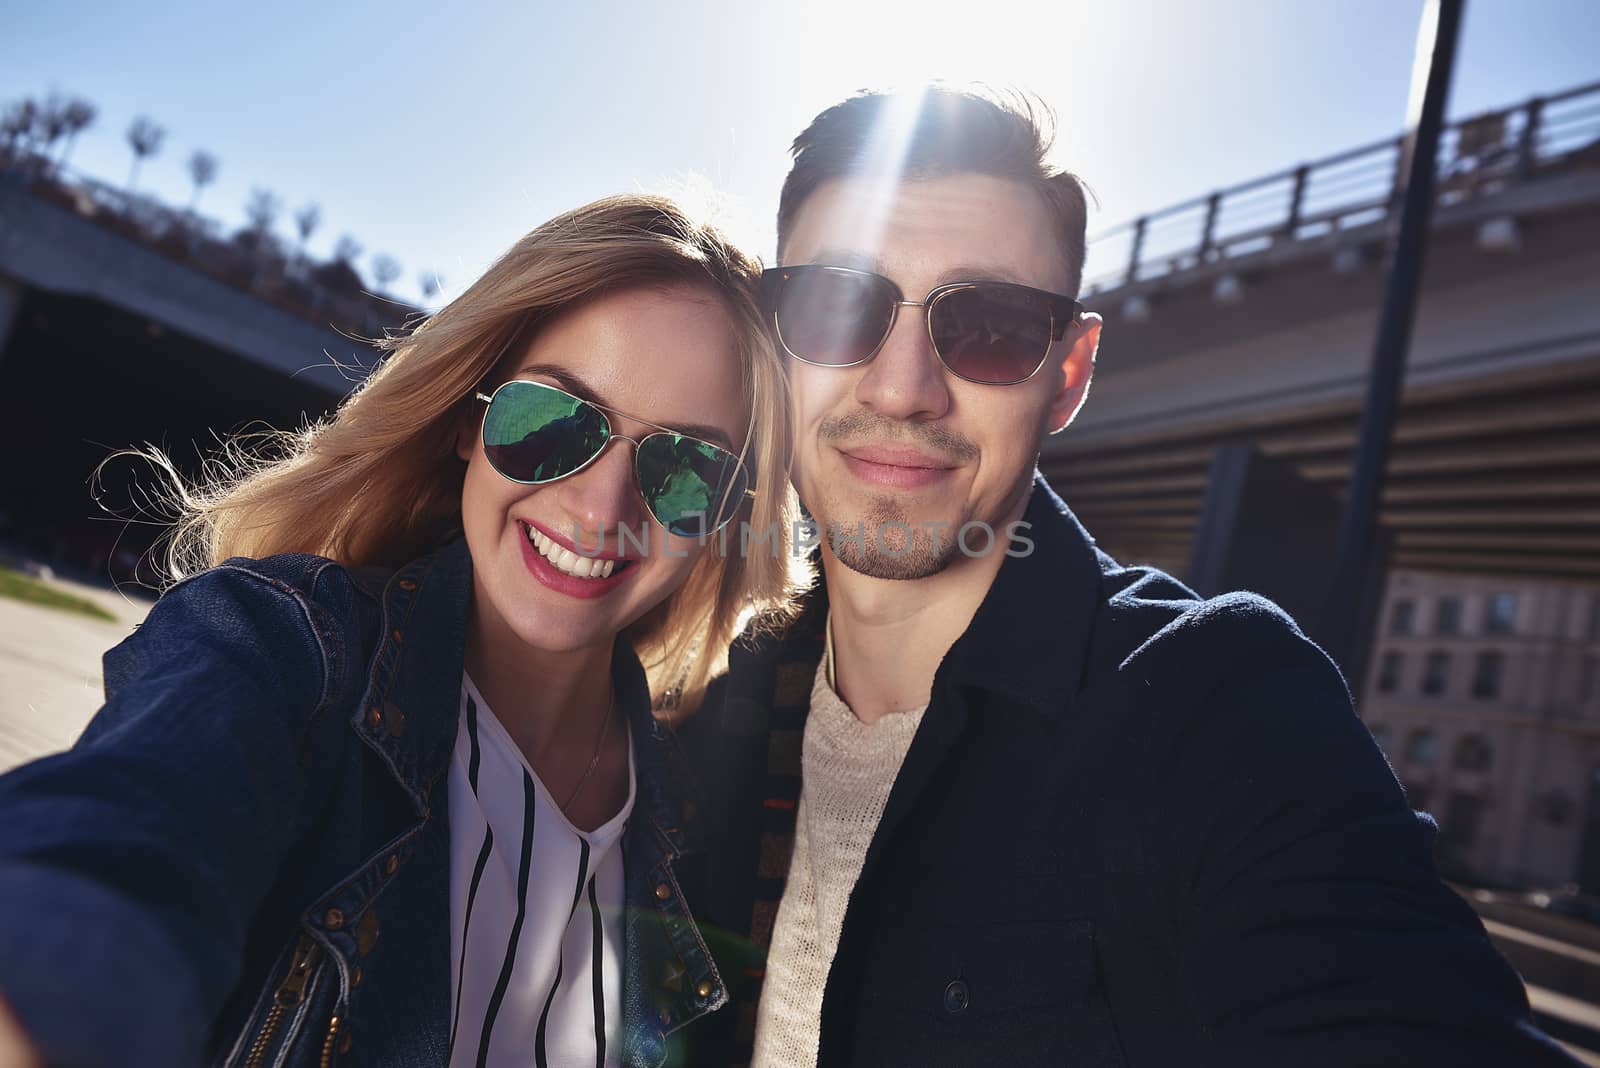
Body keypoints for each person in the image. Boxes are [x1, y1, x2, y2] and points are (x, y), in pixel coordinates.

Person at [675, 88, 1580, 1066]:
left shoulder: (1213, 707)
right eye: (838, 304)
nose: (902, 387)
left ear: (1068, 374)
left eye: (989, 326)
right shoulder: (711, 678)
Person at [0, 194, 803, 1067]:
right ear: (468, 417)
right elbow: (111, 862)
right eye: (555, 422)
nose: (602, 507)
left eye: (684, 468)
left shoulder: (699, 810)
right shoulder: (288, 650)